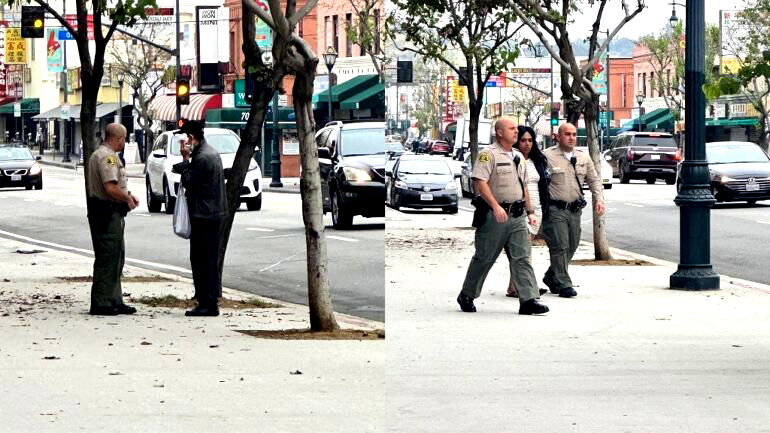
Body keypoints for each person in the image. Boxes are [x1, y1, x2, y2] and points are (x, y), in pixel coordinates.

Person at [456, 116, 549, 315]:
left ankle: (529, 300)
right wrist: (495, 206)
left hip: (517, 216)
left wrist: (530, 211)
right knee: (485, 258)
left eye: (516, 128)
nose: (516, 132)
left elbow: (523, 186)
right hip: (494, 216)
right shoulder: (488, 154)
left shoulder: (517, 156)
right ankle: (467, 294)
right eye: (512, 129)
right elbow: (480, 182)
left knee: (522, 258)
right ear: (499, 132)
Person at [541, 123, 605, 298]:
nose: (571, 138)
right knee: (560, 245)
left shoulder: (583, 157)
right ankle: (564, 283)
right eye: (567, 134)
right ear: (558, 136)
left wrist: (598, 199)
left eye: (574, 134)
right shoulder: (547, 156)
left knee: (573, 244)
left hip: (575, 209)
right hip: (555, 209)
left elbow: (594, 180)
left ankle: (551, 276)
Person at [172, 120, 226, 317]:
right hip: (212, 212)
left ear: (191, 139)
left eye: (185, 139)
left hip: (204, 214)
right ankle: (207, 299)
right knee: (208, 259)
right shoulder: (209, 153)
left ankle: (206, 302)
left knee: (202, 259)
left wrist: (185, 160)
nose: (184, 143)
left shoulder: (202, 157)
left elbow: (189, 181)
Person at [86, 123, 140, 315]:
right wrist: (127, 199)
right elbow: (110, 187)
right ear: (119, 139)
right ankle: (102, 301)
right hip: (107, 213)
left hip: (109, 212)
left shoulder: (102, 155)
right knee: (108, 257)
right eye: (124, 139)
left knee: (117, 256)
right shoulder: (107, 157)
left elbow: (115, 186)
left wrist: (128, 194)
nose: (124, 143)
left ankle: (114, 298)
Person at [506, 126, 550, 298]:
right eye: (523, 140)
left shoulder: (536, 160)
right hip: (520, 209)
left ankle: (515, 285)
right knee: (522, 251)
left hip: (536, 209)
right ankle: (525, 286)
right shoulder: (513, 159)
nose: (527, 144)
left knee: (524, 250)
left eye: (530, 140)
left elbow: (543, 185)